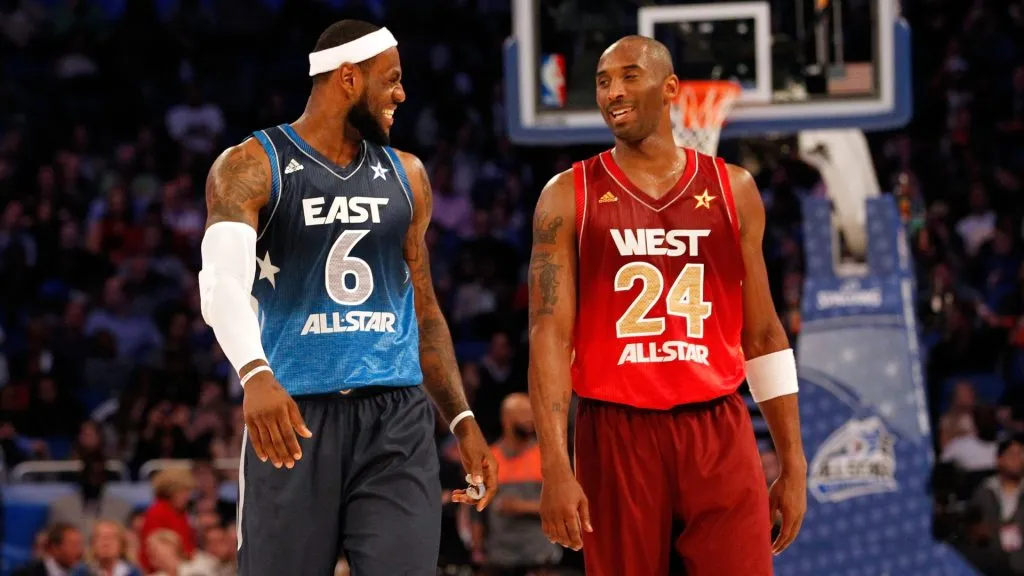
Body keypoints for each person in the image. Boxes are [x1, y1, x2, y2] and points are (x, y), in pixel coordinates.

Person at [197, 19, 497, 575]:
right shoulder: (251, 165)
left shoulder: (408, 174)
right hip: (294, 416)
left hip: (396, 418)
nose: (401, 95)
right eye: (392, 80)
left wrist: (461, 417)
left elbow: (424, 310)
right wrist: (254, 374)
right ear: (350, 79)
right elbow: (220, 285)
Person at [527, 35, 807, 575]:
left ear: (671, 87)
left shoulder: (734, 189)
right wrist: (555, 466)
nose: (613, 92)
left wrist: (792, 459)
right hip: (614, 432)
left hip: (717, 426)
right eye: (604, 81)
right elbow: (549, 338)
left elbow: (764, 336)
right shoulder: (567, 194)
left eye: (630, 75)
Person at [472, 393, 561, 575]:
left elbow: (560, 507)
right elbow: (476, 512)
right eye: (523, 413)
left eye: (531, 413)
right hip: (500, 558)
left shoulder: (546, 457)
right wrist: (477, 547)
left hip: (539, 557)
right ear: (506, 419)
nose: (530, 419)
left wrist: (520, 507)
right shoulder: (489, 459)